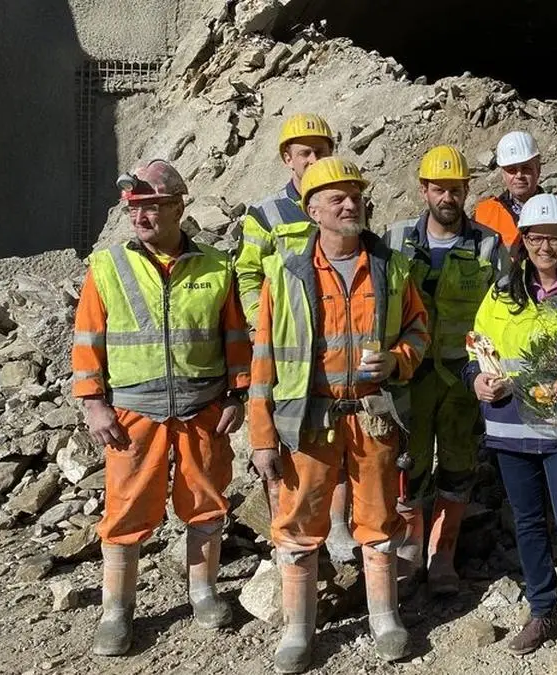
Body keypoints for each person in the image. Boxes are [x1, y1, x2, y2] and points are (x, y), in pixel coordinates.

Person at [248, 156, 430, 671]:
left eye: (356, 196)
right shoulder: (285, 275)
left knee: (377, 519)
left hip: (373, 415)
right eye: (338, 198)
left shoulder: (392, 268)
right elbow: (263, 358)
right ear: (313, 211)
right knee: (299, 523)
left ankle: (384, 619)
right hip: (310, 418)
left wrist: (397, 360)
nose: (351, 204)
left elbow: (419, 330)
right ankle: (298, 631)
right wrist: (262, 437)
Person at [72, 159, 251, 656]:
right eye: (134, 208)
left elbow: (234, 335)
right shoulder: (107, 267)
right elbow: (87, 340)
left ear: (178, 207)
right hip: (131, 414)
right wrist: (92, 404)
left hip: (202, 408)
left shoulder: (217, 267)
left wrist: (236, 392)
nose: (140, 217)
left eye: (150, 207)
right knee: (126, 510)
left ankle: (204, 592)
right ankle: (116, 611)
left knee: (206, 501)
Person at [464, 193, 557, 675]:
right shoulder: (503, 291)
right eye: (535, 236)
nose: (544, 245)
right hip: (510, 429)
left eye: (553, 236)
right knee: (528, 525)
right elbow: (477, 346)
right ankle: (541, 612)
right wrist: (477, 379)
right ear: (523, 241)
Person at [232, 112, 359, 561]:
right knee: (284, 439)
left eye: (321, 151)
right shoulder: (266, 214)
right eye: (305, 152)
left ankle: (338, 527)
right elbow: (247, 274)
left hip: (335, 343)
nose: (314, 159)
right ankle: (286, 532)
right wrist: (260, 325)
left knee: (335, 434)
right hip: (285, 347)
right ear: (288, 158)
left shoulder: (344, 203)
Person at [385, 145, 507, 596]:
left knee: (457, 466)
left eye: (455, 189)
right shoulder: (396, 240)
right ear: (424, 190)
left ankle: (443, 556)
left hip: (462, 376)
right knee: (407, 467)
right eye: (439, 189)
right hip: (410, 375)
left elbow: (504, 312)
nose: (448, 198)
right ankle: (409, 552)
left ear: (466, 191)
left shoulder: (489, 245)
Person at [473, 130, 543, 246]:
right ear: (503, 174)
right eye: (512, 170)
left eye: (526, 168)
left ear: (538, 169)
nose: (519, 175)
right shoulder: (485, 214)